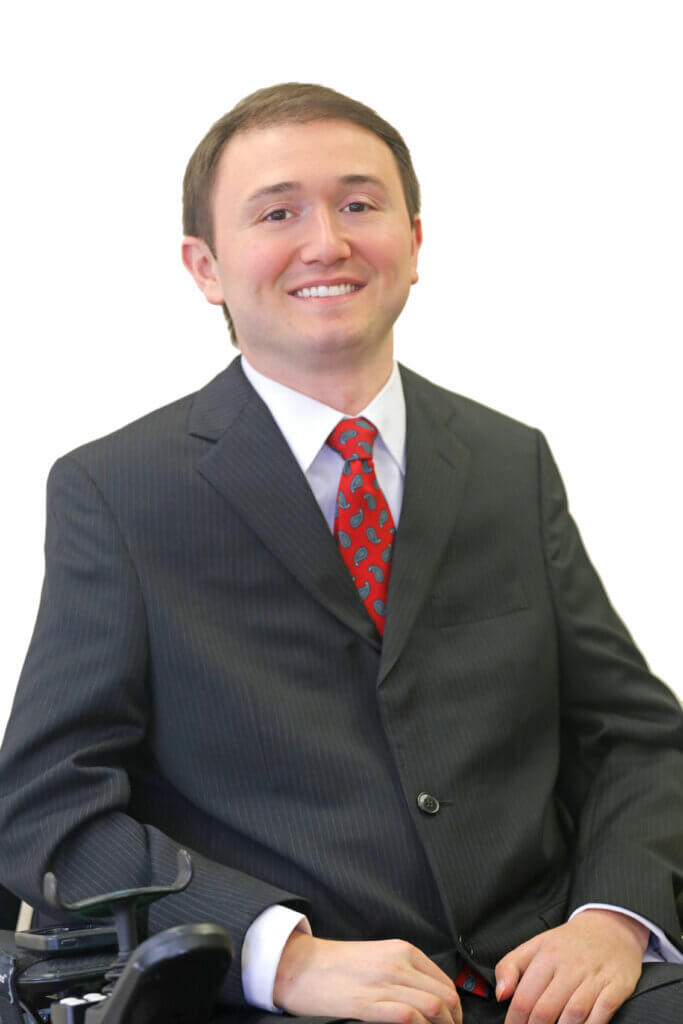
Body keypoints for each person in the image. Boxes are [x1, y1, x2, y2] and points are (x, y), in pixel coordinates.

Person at [0, 82, 681, 1024]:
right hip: (296, 999)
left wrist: (613, 920)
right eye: (277, 213)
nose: (326, 241)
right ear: (205, 266)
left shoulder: (505, 459)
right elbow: (48, 809)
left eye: (359, 205)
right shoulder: (117, 491)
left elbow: (636, 738)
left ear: (413, 240)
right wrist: (278, 955)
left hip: (554, 979)